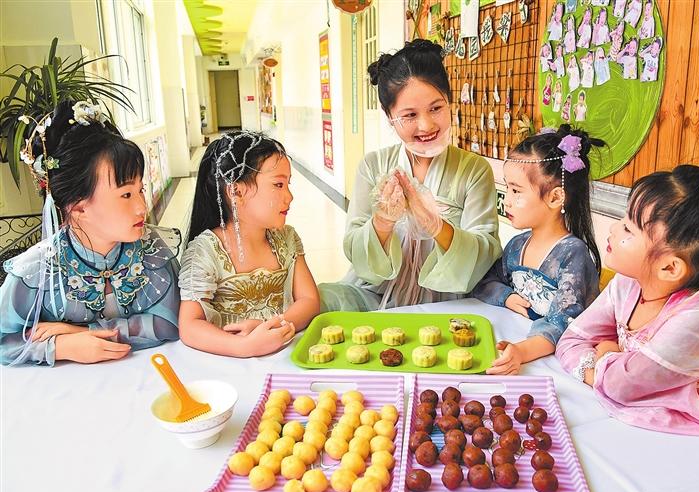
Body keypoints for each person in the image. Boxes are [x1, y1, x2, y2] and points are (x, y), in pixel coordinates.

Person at [556, 151, 699, 459]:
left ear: (669, 268)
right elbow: (572, 340)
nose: (615, 229)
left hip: (695, 437)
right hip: (642, 426)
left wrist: (604, 352)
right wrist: (608, 364)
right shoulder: (628, 283)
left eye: (629, 228)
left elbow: (620, 385)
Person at [319, 39, 501, 311]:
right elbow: (355, 249)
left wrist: (435, 225)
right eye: (409, 115)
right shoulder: (373, 165)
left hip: (447, 300)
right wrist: (382, 221)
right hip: (375, 296)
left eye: (436, 108)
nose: (426, 125)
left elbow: (484, 252)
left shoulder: (474, 170)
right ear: (389, 115)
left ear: (449, 101)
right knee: (319, 304)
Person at [0, 100, 181, 366]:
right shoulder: (36, 270)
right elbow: (5, 341)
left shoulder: (152, 249)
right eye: (126, 194)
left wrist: (82, 333)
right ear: (79, 208)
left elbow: (169, 323)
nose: (142, 207)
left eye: (140, 190)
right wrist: (61, 347)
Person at [474, 125, 602, 375]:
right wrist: (507, 297)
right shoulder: (517, 245)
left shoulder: (571, 254)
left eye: (516, 190)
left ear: (555, 198)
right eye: (507, 188)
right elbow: (485, 281)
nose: (507, 200)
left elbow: (562, 322)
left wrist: (520, 352)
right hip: (520, 344)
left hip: (556, 361)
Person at [178, 131, 319, 357]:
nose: (289, 196)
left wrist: (276, 324)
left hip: (286, 355)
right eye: (278, 185)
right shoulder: (206, 251)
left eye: (288, 184)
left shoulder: (287, 239)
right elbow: (190, 326)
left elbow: (309, 300)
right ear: (236, 191)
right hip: (228, 365)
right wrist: (244, 347)